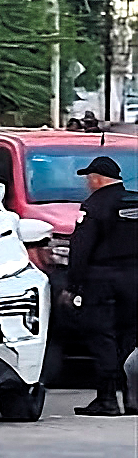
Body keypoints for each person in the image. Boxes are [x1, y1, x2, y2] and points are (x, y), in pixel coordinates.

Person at [65, 155, 138, 416]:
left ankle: (107, 399)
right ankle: (132, 400)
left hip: (102, 281)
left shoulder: (94, 205)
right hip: (134, 280)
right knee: (129, 338)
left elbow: (81, 247)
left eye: (88, 179)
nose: (87, 184)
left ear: (97, 179)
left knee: (101, 337)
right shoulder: (134, 201)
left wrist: (73, 285)